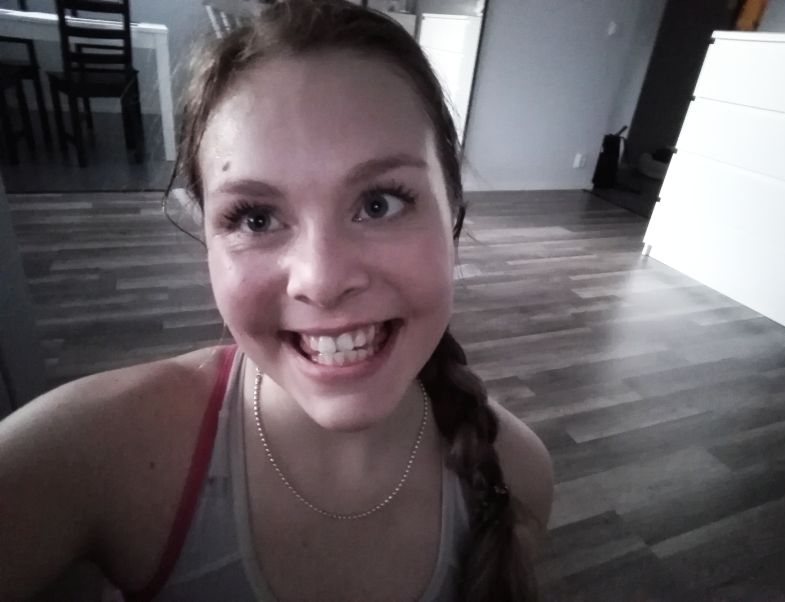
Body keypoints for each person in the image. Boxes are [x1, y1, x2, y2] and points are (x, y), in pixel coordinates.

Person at [0, 1, 553, 600]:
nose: (322, 280)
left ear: (455, 215)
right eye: (256, 218)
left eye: (380, 204)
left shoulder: (520, 474)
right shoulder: (95, 456)